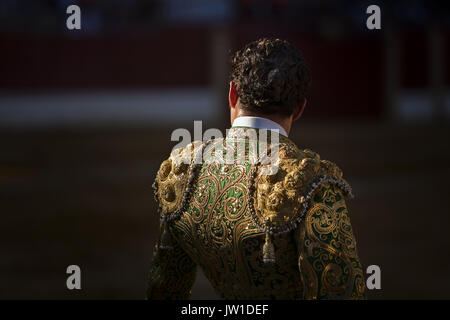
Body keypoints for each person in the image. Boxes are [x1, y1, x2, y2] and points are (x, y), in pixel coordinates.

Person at [147, 38, 366, 299]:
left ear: (233, 93)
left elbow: (165, 288)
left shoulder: (183, 169)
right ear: (299, 109)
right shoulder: (313, 183)